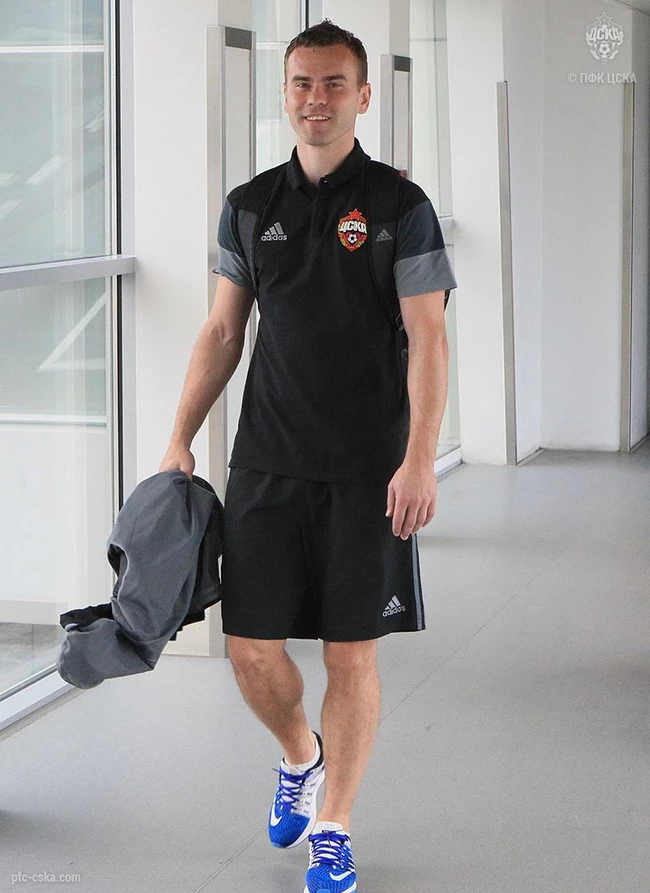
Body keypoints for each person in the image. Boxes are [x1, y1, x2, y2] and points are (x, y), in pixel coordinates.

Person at [160, 19, 457, 893]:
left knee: (351, 656)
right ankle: (301, 755)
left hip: (369, 471)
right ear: (284, 93)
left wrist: (420, 457)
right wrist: (178, 436)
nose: (315, 99)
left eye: (333, 83)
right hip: (266, 464)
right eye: (301, 82)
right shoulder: (251, 205)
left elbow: (429, 338)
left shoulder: (401, 207)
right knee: (250, 652)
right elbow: (223, 331)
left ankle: (335, 825)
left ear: (363, 96)